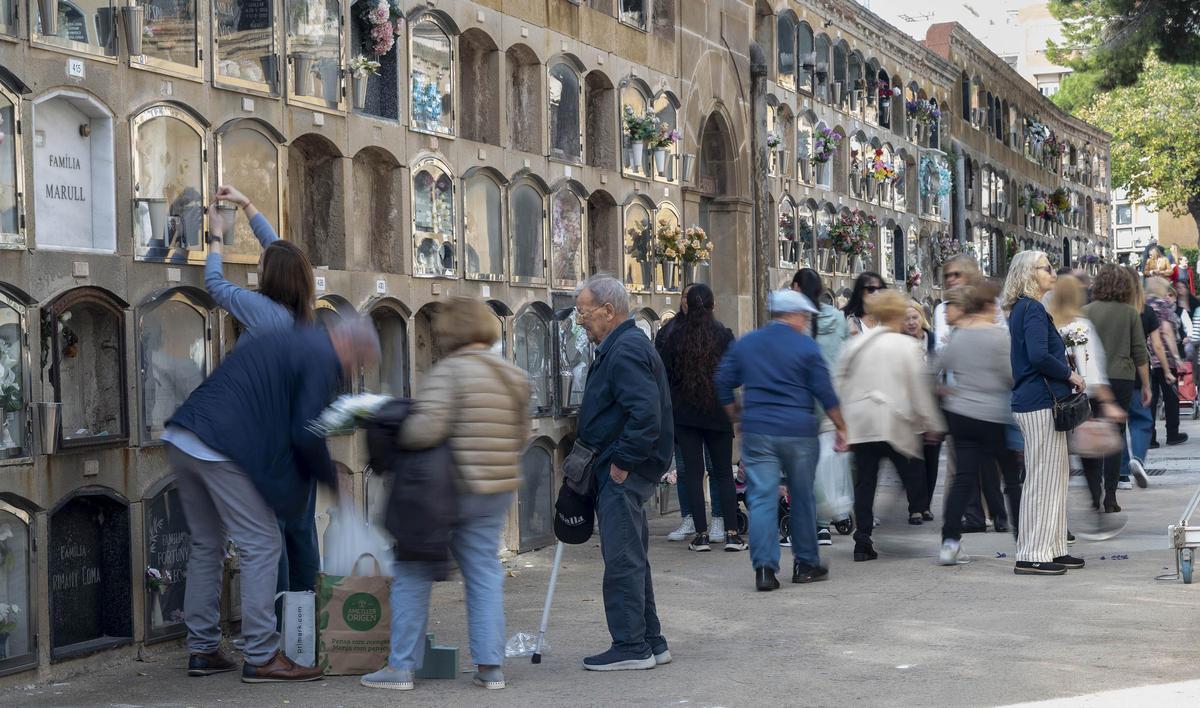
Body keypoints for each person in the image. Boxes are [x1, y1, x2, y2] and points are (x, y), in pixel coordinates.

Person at [165, 319, 379, 682]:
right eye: (357, 360)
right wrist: (333, 482)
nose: (351, 369)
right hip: (220, 445)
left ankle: (202, 648)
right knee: (262, 542)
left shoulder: (290, 341)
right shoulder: (321, 356)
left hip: (183, 435)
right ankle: (262, 655)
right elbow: (305, 431)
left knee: (207, 543)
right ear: (345, 342)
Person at [361, 298, 529, 692]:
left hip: (451, 490)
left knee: (413, 570)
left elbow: (426, 431)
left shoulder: (449, 372)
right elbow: (522, 435)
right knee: (484, 572)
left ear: (450, 332)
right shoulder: (512, 375)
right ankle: (490, 668)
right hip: (497, 489)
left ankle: (401, 667)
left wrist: (396, 428)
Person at [206, 187, 320, 596]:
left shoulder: (263, 312)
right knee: (302, 533)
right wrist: (247, 204)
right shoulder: (302, 306)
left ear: (273, 278)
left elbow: (216, 286)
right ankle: (308, 631)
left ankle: (277, 633)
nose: (258, 263)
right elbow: (283, 253)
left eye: (262, 264)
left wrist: (216, 236)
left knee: (272, 540)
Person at [715, 290, 847, 590]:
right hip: (798, 432)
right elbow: (825, 393)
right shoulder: (806, 347)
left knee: (761, 498)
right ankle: (805, 564)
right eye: (805, 318)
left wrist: (734, 413)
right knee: (802, 497)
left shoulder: (748, 343)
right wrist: (842, 427)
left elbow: (722, 380)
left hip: (759, 431)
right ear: (795, 315)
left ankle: (764, 570)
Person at [574, 275, 673, 671]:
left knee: (622, 558)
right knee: (632, 554)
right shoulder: (623, 345)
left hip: (624, 470)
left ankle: (631, 646)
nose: (580, 320)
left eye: (584, 312)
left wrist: (622, 463)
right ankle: (651, 640)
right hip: (624, 465)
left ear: (608, 311)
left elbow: (645, 414)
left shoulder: (626, 348)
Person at [837, 290, 945, 561]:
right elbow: (918, 388)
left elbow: (840, 381)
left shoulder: (857, 344)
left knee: (865, 483)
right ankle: (901, 522)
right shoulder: (905, 346)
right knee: (912, 477)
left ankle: (862, 541)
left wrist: (840, 424)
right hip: (894, 421)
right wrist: (931, 422)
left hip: (862, 423)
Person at [1003, 251, 1086, 576]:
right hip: (1039, 402)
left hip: (1037, 402)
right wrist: (1071, 375)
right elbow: (1038, 356)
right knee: (1042, 480)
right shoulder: (1033, 308)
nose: (1053, 272)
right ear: (1029, 273)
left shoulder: (1024, 309)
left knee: (1053, 479)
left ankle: (1053, 548)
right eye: (1047, 267)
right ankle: (1032, 553)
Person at [932, 283, 1019, 564]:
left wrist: (945, 391)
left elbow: (937, 367)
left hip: (961, 414)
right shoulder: (998, 337)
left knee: (964, 479)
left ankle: (949, 542)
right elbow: (1010, 376)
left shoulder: (958, 336)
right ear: (987, 306)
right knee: (1011, 479)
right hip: (993, 415)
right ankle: (1023, 537)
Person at [658, 284, 744, 552]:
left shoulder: (674, 336)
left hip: (685, 415)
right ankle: (732, 533)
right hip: (718, 412)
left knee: (693, 475)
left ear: (688, 305)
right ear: (713, 306)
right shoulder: (723, 336)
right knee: (722, 473)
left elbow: (664, 373)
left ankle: (701, 535)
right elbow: (737, 373)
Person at [1082, 268, 1149, 511]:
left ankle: (1093, 492)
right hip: (1122, 378)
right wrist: (1147, 386)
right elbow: (1140, 352)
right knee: (1114, 435)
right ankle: (1111, 495)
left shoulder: (1085, 312)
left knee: (1090, 432)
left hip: (1091, 379)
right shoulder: (1130, 313)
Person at [792, 268, 851, 544]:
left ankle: (816, 521)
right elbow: (845, 354)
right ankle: (827, 519)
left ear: (795, 287)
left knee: (808, 466)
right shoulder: (838, 318)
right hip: (831, 397)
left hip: (803, 401)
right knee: (829, 461)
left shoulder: (796, 321)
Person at [904, 299, 942, 520]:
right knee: (913, 459)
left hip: (932, 404)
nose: (911, 322)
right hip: (908, 407)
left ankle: (926, 504)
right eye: (906, 319)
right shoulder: (898, 342)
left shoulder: (932, 339)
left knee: (931, 457)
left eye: (914, 317)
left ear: (922, 318)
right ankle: (915, 508)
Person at [1121, 269, 1156, 488]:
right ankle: (1138, 459)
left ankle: (1122, 473)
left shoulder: (1112, 311)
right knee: (1142, 420)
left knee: (1117, 426)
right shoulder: (1146, 312)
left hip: (1113, 373)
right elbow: (1154, 345)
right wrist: (1147, 383)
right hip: (1137, 371)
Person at [1145, 277, 1189, 447]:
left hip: (1146, 359)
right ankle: (1172, 434)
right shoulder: (1162, 305)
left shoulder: (1141, 304)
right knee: (1171, 398)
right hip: (1165, 359)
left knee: (1151, 399)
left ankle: (1150, 438)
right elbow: (1167, 332)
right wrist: (1177, 357)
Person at [842, 271, 886, 336]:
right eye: (871, 289)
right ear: (860, 292)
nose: (877, 293)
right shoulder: (847, 320)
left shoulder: (890, 320)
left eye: (880, 289)